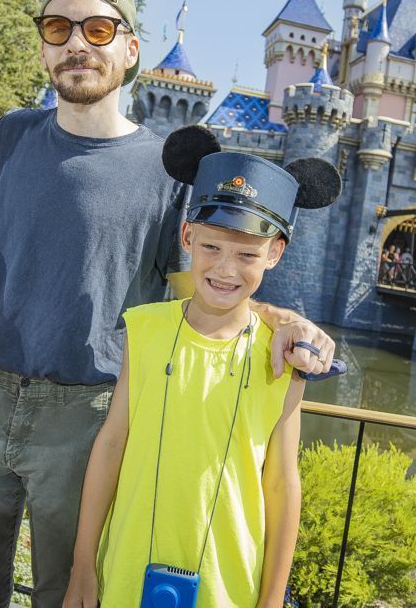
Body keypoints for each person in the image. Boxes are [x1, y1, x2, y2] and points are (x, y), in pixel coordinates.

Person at [0, 0, 335, 606]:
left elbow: (205, 287)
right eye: (58, 27)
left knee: (67, 591)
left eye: (98, 30)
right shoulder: (12, 134)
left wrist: (278, 320)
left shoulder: (165, 171)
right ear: (42, 45)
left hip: (87, 416)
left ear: (130, 50)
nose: (76, 43)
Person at [64, 132, 341, 607]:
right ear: (188, 236)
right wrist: (82, 566)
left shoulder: (283, 358)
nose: (225, 269)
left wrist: (272, 599)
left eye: (248, 254)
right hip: (126, 570)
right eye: (211, 248)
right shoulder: (144, 330)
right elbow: (112, 444)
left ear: (274, 253)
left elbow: (281, 482)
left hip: (226, 584)